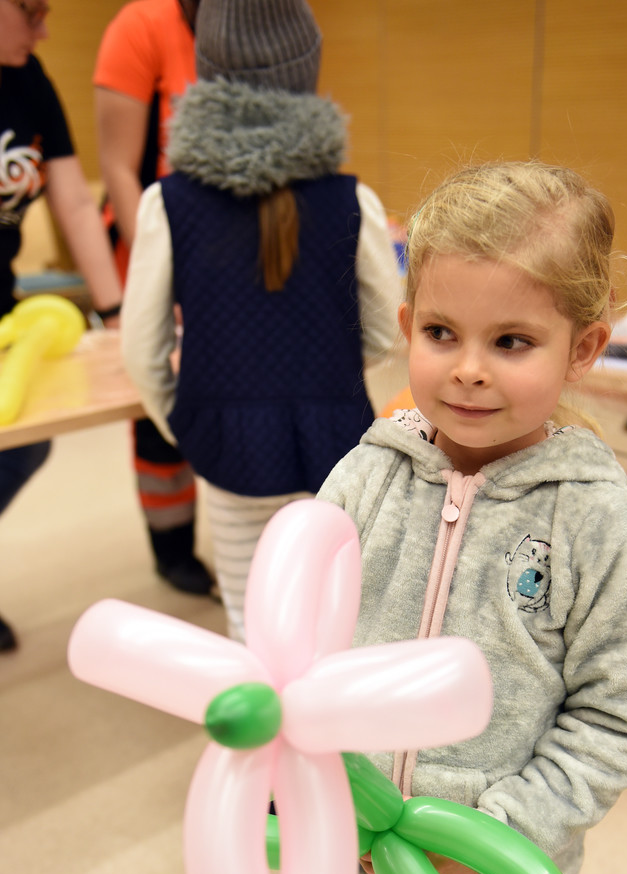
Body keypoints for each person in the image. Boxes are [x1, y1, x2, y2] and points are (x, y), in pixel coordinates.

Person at [313, 161, 627, 874]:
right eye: (441, 333)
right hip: (362, 835)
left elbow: (616, 715)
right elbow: (306, 639)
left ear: (581, 348)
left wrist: (502, 829)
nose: (468, 371)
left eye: (511, 342)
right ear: (407, 326)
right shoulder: (365, 473)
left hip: (496, 865)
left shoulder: (594, 518)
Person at [121, 0, 401, 640]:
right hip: (337, 441)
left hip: (225, 443)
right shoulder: (352, 199)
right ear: (308, 72)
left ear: (206, 76)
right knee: (335, 617)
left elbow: (141, 349)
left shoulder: (167, 202)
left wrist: (183, 420)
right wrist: (327, 372)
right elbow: (388, 330)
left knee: (251, 622)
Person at [0, 0, 123, 651]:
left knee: (24, 443)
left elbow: (73, 200)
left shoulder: (28, 79)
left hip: (6, 308)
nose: (44, 29)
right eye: (31, 11)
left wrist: (116, 312)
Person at [93, 0, 215, 598]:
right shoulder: (141, 28)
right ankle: (172, 547)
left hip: (221, 252)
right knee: (154, 402)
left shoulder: (251, 22)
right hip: (150, 243)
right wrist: (156, 274)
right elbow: (119, 166)